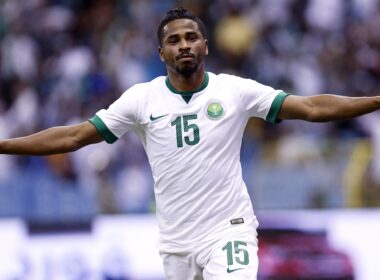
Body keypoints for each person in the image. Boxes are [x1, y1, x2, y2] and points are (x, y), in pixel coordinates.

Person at [0, 7, 379, 280]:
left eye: (191, 37)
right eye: (174, 40)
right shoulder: (140, 99)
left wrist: (376, 100)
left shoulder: (235, 90)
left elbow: (312, 107)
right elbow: (72, 136)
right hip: (176, 241)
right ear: (161, 52)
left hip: (229, 229)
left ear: (205, 46)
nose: (184, 45)